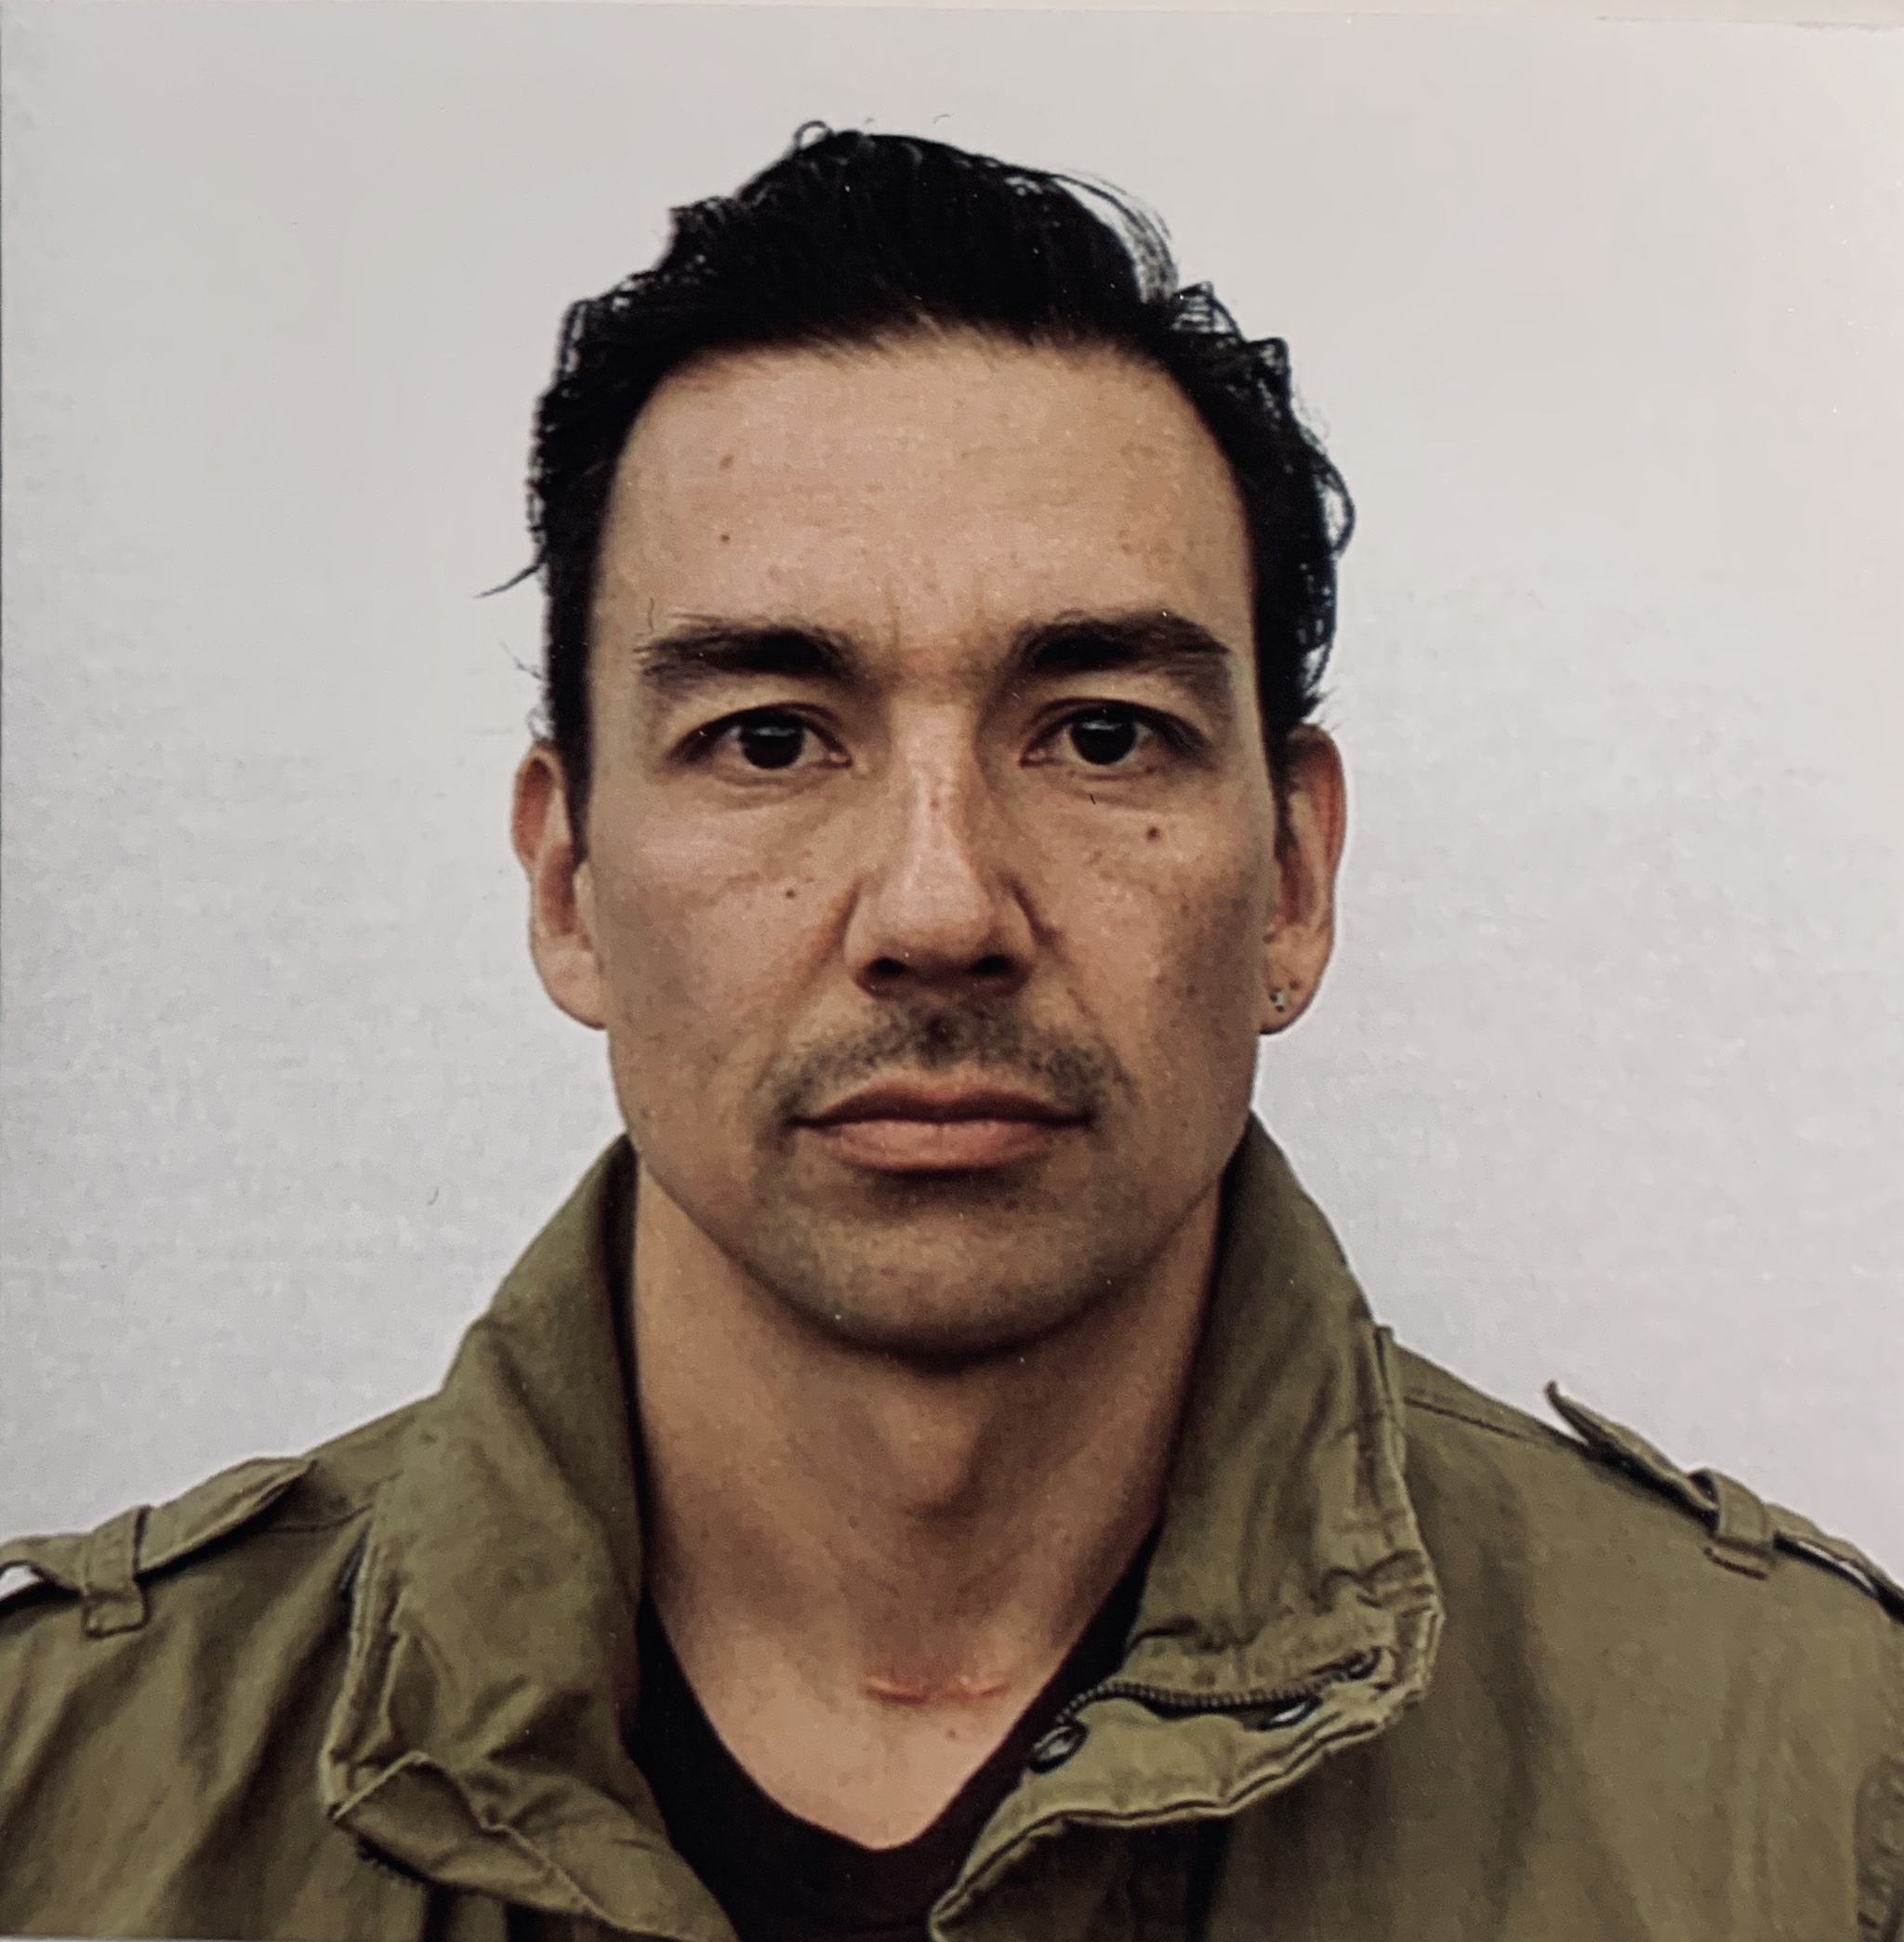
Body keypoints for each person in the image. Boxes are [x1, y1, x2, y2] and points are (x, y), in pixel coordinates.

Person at [1, 126, 1897, 1942]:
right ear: (570, 883)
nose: (937, 911)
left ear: (1292, 877)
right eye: (768, 738)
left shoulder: (1811, 1786)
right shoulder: (62, 1780)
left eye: (1099, 734)